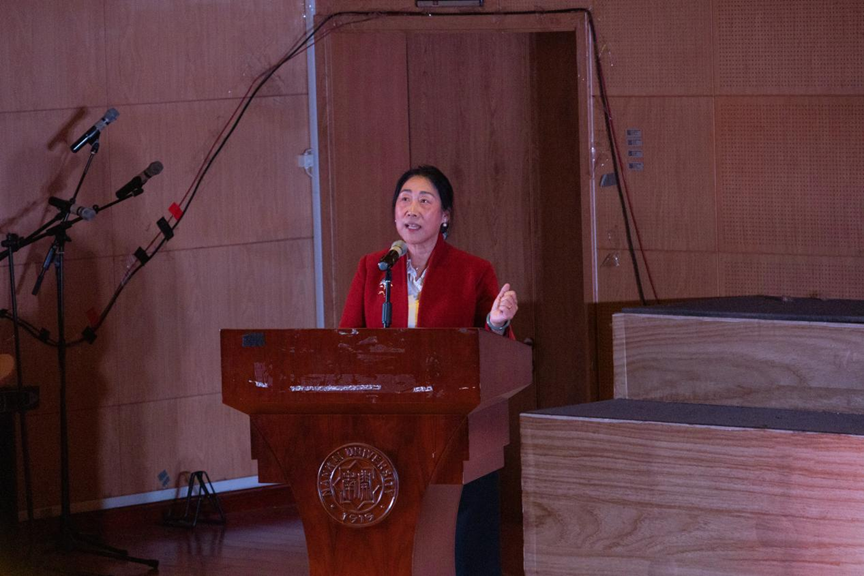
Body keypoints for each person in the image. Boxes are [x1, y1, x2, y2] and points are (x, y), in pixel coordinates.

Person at [339, 165, 518, 575]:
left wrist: (496, 323)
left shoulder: (473, 271)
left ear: (445, 216)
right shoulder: (374, 267)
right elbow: (347, 341)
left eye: (424, 200)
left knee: (465, 531)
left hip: (458, 421)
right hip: (392, 423)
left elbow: (498, 352)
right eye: (404, 199)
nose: (412, 209)